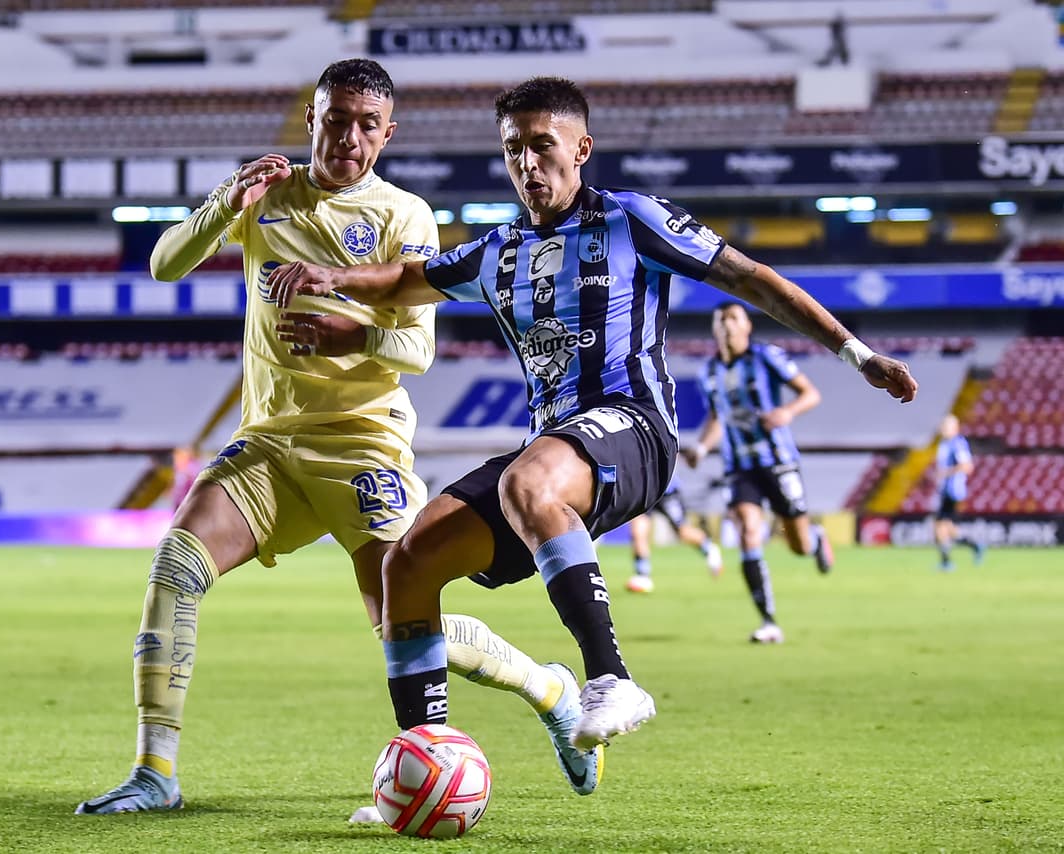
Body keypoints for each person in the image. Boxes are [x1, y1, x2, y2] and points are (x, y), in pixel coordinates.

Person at [267, 75, 917, 752]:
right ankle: (426, 757)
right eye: (513, 147)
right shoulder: (498, 250)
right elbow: (406, 279)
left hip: (634, 426)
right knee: (406, 564)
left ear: (582, 148)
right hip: (553, 449)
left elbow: (749, 278)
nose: (526, 162)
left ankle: (612, 678)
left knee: (528, 481)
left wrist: (855, 354)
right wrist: (333, 278)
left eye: (542, 145)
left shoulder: (630, 219)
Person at [76, 60, 601, 816]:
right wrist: (222, 204)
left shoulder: (403, 215)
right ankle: (155, 772)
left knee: (404, 625)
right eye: (335, 119)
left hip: (363, 446)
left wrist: (344, 332)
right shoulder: (267, 198)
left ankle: (546, 686)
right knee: (174, 569)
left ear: (386, 134)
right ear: (312, 118)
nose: (348, 138)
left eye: (366, 125)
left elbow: (415, 351)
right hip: (268, 445)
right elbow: (165, 266)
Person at [682, 303, 834, 645]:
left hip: (778, 461)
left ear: (747, 326)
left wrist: (786, 412)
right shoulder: (709, 371)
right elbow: (717, 419)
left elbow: (810, 394)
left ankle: (816, 538)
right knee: (748, 531)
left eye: (734, 318)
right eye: (720, 320)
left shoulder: (767, 358)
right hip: (739, 467)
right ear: (714, 329)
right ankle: (768, 622)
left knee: (799, 545)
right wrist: (703, 448)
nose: (727, 325)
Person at [625, 473, 723, 594]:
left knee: (683, 532)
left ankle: (710, 549)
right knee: (638, 531)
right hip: (644, 490)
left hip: (667, 491)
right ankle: (643, 575)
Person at [933, 413, 986, 572]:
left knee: (940, 529)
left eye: (947, 426)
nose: (943, 429)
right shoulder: (944, 443)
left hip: (953, 491)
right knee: (949, 530)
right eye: (943, 426)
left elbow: (967, 466)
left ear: (955, 428)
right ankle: (975, 546)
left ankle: (946, 563)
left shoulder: (958, 444)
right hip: (945, 491)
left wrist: (946, 473)